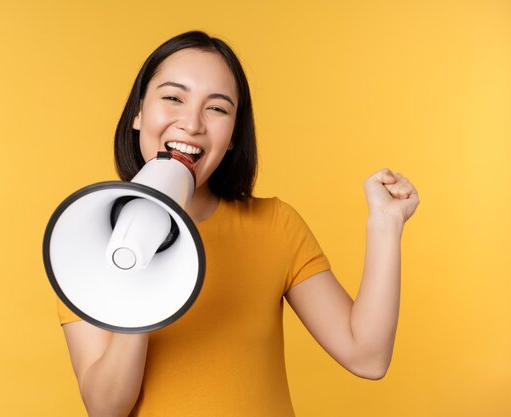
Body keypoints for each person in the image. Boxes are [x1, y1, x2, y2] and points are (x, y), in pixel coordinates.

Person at [56, 31, 420, 417]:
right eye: (173, 97)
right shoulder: (84, 236)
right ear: (139, 113)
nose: (192, 124)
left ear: (231, 137)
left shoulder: (275, 225)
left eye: (216, 108)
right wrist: (143, 274)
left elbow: (367, 357)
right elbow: (106, 409)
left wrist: (386, 223)